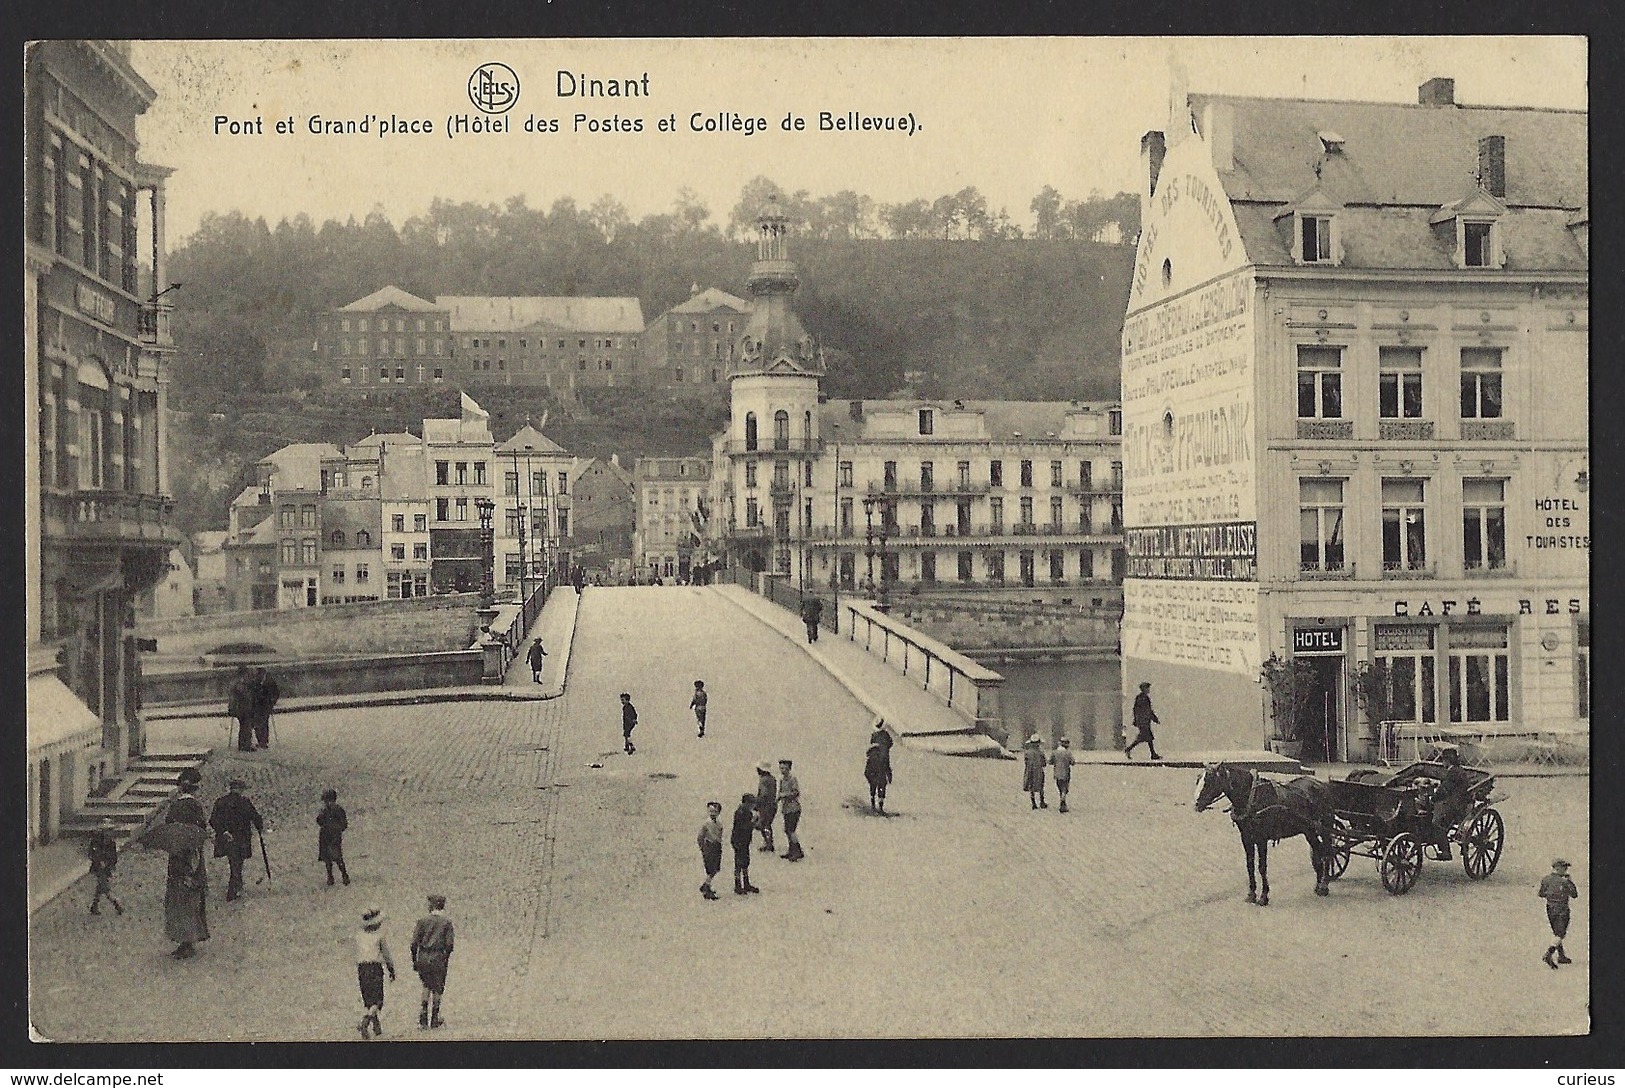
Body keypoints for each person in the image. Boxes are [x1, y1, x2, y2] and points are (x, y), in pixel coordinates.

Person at [162, 768, 210, 959]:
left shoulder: (175, 806)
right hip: (193, 854)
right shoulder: (195, 806)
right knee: (192, 897)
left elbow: (168, 826)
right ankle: (190, 939)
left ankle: (185, 940)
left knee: (179, 898)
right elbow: (202, 827)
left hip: (177, 855)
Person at [209, 777, 265, 902]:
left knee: (234, 863)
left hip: (226, 839)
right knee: (237, 864)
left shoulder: (221, 802)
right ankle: (233, 890)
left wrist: (223, 831)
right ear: (240, 789)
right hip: (241, 840)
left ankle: (236, 886)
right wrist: (259, 828)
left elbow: (213, 820)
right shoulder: (245, 802)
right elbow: (256, 817)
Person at [410, 894, 455, 1028]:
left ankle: (423, 1017)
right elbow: (449, 945)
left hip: (423, 956)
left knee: (426, 985)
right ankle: (434, 1018)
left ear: (432, 906)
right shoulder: (446, 923)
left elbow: (413, 943)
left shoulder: (422, 921)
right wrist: (445, 958)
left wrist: (414, 960)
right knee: (437, 987)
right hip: (438, 957)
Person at [355, 906, 396, 1038]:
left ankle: (376, 1026)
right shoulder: (379, 937)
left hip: (362, 968)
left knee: (368, 998)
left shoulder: (359, 936)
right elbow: (386, 954)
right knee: (378, 1000)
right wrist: (391, 969)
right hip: (375, 968)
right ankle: (365, 1021)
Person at [1429, 745, 1475, 859]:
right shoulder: (1455, 770)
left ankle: (1446, 851)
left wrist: (1432, 797)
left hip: (1457, 806)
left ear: (1447, 761)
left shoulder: (1454, 773)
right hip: (1454, 801)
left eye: (1443, 760)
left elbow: (1444, 790)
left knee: (1437, 823)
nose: (1442, 763)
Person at [1538, 858, 1579, 969]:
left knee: (1556, 932)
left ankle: (1561, 956)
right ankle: (1549, 953)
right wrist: (1570, 881)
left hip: (1550, 908)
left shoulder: (1545, 879)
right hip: (1562, 909)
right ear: (1558, 868)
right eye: (1564, 868)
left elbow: (1541, 894)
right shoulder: (1564, 881)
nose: (1566, 870)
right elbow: (1574, 895)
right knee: (1560, 934)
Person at [87, 817, 124, 916]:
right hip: (98, 868)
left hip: (107, 868)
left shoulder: (112, 843)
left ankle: (94, 906)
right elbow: (91, 854)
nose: (109, 833)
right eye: (107, 830)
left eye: (111, 830)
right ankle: (116, 903)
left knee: (100, 887)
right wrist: (99, 860)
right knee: (105, 888)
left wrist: (109, 863)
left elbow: (114, 857)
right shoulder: (96, 841)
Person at [317, 788, 350, 886]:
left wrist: (337, 830)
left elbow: (343, 824)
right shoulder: (327, 810)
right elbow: (319, 821)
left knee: (336, 857)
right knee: (329, 858)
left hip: (332, 836)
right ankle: (332, 876)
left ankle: (343, 875)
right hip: (327, 836)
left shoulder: (336, 810)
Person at [730, 794, 760, 895]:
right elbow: (744, 827)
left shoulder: (746, 812)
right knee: (738, 863)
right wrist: (753, 822)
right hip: (738, 841)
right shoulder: (740, 813)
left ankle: (746, 883)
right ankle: (738, 885)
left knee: (745, 862)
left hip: (745, 841)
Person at [1125, 681, 1162, 760]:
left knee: (1146, 738)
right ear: (1144, 689)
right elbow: (1147, 710)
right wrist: (1154, 718)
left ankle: (1152, 754)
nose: (1149, 689)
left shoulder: (1141, 697)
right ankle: (1152, 754)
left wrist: (1136, 719)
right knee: (1147, 737)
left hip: (1142, 721)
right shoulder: (1143, 698)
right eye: (1147, 688)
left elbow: (1137, 709)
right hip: (1143, 721)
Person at [697, 801, 725, 900]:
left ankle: (706, 884)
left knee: (716, 868)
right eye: (711, 811)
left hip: (716, 846)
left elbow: (720, 835)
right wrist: (702, 848)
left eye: (715, 811)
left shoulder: (719, 823)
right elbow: (700, 836)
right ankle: (706, 887)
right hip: (709, 846)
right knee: (711, 868)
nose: (713, 813)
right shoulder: (707, 823)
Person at [778, 758, 805, 861]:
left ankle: (796, 851)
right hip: (786, 809)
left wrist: (784, 795)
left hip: (794, 808)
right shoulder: (782, 780)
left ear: (789, 768)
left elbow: (796, 792)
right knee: (787, 830)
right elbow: (780, 792)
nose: (782, 770)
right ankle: (792, 850)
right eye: (781, 768)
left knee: (791, 830)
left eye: (784, 768)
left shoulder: (792, 779)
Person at [227, 665, 257, 753]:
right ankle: (245, 745)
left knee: (244, 725)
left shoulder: (235, 682)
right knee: (246, 725)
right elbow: (244, 694)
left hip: (238, 707)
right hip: (241, 708)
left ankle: (243, 744)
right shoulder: (240, 683)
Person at [252, 666, 281, 750]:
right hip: (258, 705)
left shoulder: (270, 681)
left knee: (264, 723)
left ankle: (264, 741)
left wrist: (272, 702)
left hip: (266, 705)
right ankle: (260, 740)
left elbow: (276, 692)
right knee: (257, 722)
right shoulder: (255, 681)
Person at [754, 762, 779, 853]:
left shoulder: (763, 780)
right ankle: (769, 843)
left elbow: (763, 794)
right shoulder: (772, 779)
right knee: (767, 825)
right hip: (772, 805)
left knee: (763, 825)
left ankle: (768, 844)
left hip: (765, 806)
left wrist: (757, 804)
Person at [864, 742, 892, 814]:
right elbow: (887, 768)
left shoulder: (871, 759)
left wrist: (869, 777)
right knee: (880, 792)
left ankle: (875, 806)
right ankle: (879, 807)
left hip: (875, 777)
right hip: (880, 777)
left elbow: (866, 771)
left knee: (874, 792)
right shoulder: (882, 758)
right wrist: (889, 776)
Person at [1051, 735, 1075, 813]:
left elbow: (1050, 761)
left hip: (1057, 773)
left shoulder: (1055, 752)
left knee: (1060, 787)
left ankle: (1063, 801)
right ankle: (1062, 802)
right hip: (1066, 773)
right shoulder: (1068, 753)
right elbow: (1073, 762)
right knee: (1064, 788)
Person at [1023, 734, 1048, 810]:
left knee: (1031, 786)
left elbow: (1026, 762)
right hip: (1038, 770)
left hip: (1029, 770)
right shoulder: (1040, 753)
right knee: (1040, 785)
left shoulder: (1027, 752)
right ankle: (1042, 801)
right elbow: (1044, 763)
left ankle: (1033, 802)